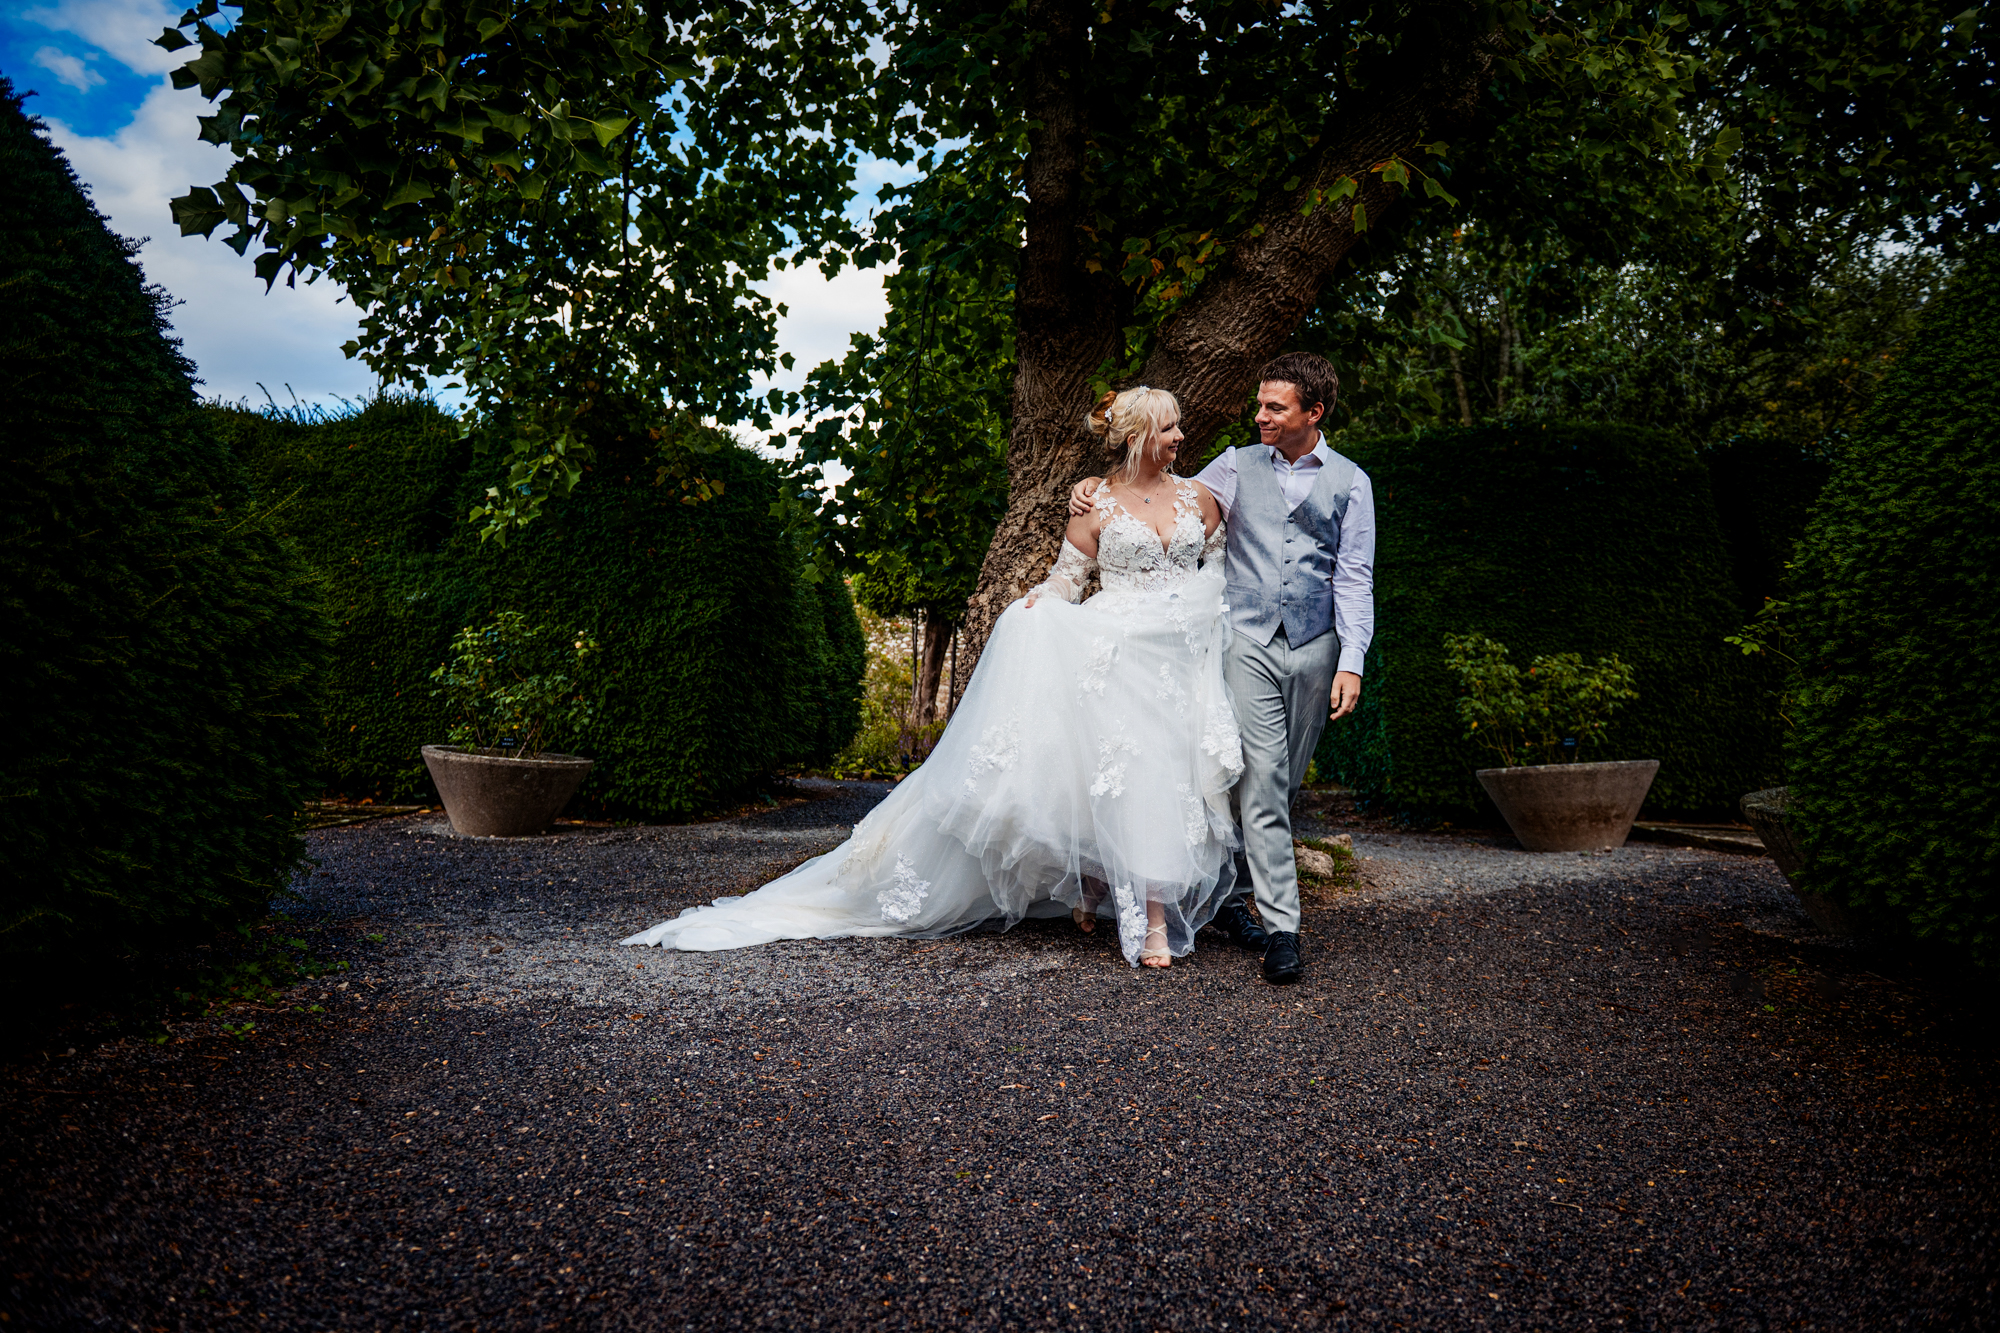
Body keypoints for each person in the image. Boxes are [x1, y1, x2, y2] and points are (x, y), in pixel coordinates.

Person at [622, 386, 1244, 968]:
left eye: (1179, 426)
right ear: (1137, 436)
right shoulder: (1095, 502)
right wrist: (1036, 606)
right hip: (1112, 650)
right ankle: (1147, 916)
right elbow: (1068, 579)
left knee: (1166, 776)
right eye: (1169, 427)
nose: (1181, 436)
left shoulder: (1198, 497)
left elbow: (1220, 572)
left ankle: (1101, 890)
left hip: (1178, 657)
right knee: (1128, 775)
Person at [1070, 352, 1375, 985]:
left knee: (1282, 782)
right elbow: (1156, 490)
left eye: (1274, 407)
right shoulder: (1233, 466)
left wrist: (1352, 660)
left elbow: (1354, 576)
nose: (1259, 415)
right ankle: (1280, 929)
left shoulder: (1352, 482)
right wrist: (1091, 487)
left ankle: (1230, 896)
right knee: (1262, 775)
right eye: (1260, 404)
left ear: (1312, 413)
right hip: (1247, 639)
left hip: (1317, 647)